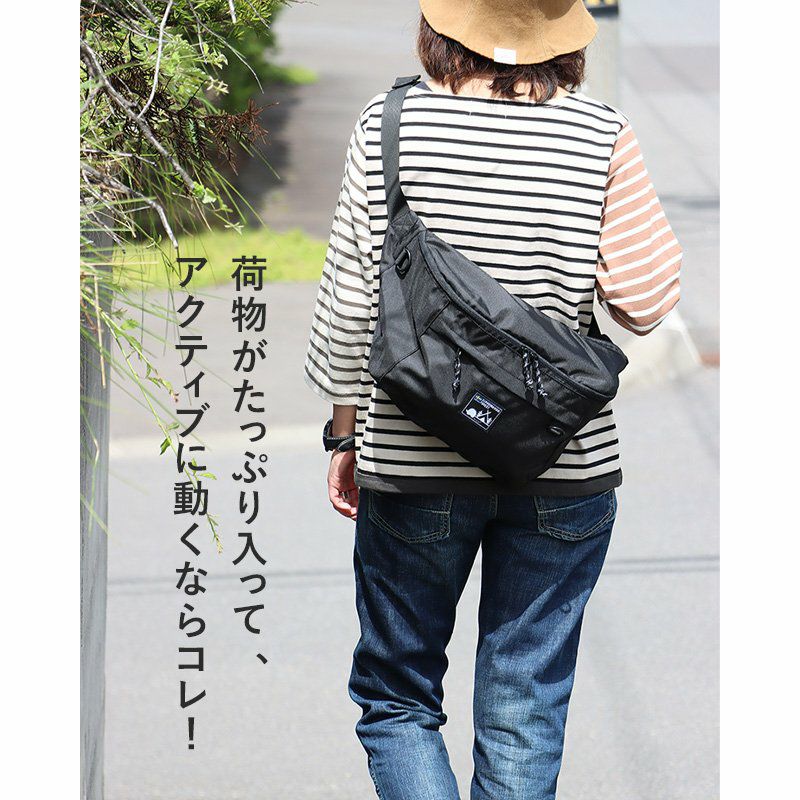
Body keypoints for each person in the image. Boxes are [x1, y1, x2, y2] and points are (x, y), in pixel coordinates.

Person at [304, 1, 682, 797]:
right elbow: (646, 300)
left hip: (414, 462)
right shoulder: (600, 133)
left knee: (398, 698)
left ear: (443, 25)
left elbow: (348, 306)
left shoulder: (389, 125)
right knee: (524, 706)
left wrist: (344, 435)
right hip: (563, 468)